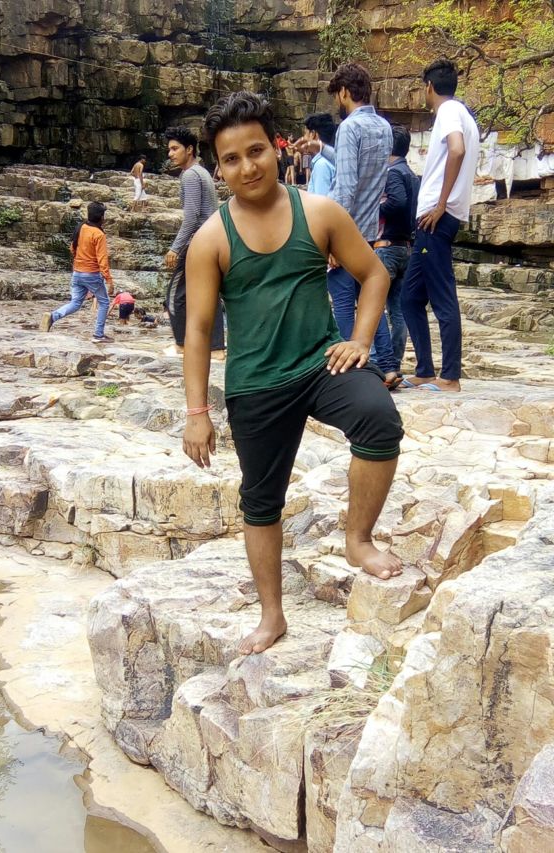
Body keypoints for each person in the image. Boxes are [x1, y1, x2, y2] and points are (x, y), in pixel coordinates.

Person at [182, 91, 404, 655]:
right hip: (255, 385)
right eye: (231, 159)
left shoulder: (319, 213)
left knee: (379, 419)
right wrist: (196, 413)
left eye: (256, 151)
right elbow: (200, 331)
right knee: (261, 501)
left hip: (320, 364)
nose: (247, 167)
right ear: (219, 168)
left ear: (277, 148)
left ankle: (357, 540)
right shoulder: (210, 239)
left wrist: (360, 340)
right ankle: (272, 614)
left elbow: (374, 274)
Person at [312, 64, 400, 389]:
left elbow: (346, 187)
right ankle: (387, 367)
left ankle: (359, 370)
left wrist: (331, 238)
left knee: (343, 304)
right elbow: (360, 169)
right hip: (370, 231)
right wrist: (322, 150)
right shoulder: (384, 127)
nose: (338, 101)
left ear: (345, 92)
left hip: (347, 231)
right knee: (370, 301)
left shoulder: (349, 127)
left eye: (338, 95)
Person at [401, 59, 480, 393]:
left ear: (430, 86)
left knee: (443, 297)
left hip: (437, 218)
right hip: (434, 220)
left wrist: (441, 203)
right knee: (409, 298)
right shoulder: (465, 115)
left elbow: (456, 150)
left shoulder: (448, 111)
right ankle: (425, 370)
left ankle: (450, 377)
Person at [164, 126, 225, 359]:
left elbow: (191, 217)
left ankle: (181, 344)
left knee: (175, 294)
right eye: (169, 149)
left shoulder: (190, 175)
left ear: (189, 149)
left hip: (197, 242)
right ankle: (217, 349)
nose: (170, 154)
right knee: (210, 293)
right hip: (213, 239)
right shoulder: (203, 172)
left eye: (174, 148)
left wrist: (175, 248)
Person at [374, 125, 420, 373]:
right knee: (398, 311)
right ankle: (395, 361)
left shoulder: (392, 173)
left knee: (372, 303)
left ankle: (381, 362)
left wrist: (373, 209)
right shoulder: (412, 174)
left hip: (388, 246)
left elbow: (397, 202)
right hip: (406, 247)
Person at [40, 201, 115, 342]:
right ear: (101, 217)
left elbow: (72, 248)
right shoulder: (98, 234)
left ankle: (53, 316)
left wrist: (79, 261)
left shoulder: (81, 227)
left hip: (77, 273)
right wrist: (109, 279)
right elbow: (102, 260)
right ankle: (98, 335)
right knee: (104, 302)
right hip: (91, 274)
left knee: (75, 303)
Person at [302, 113, 336, 197]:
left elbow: (322, 201)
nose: (303, 138)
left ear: (313, 134)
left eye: (305, 133)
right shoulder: (331, 161)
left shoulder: (321, 164)